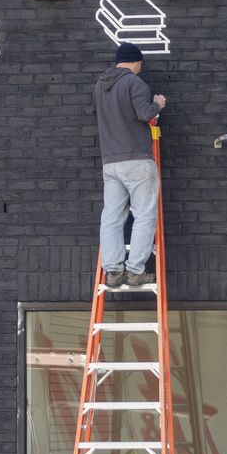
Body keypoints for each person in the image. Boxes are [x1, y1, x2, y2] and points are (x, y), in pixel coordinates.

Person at [93, 41, 166, 290]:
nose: (140, 68)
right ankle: (135, 271)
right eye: (139, 64)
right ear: (135, 61)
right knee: (144, 215)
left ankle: (112, 271)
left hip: (110, 161)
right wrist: (158, 104)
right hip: (136, 159)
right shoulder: (135, 83)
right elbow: (145, 114)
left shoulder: (100, 86)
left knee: (112, 217)